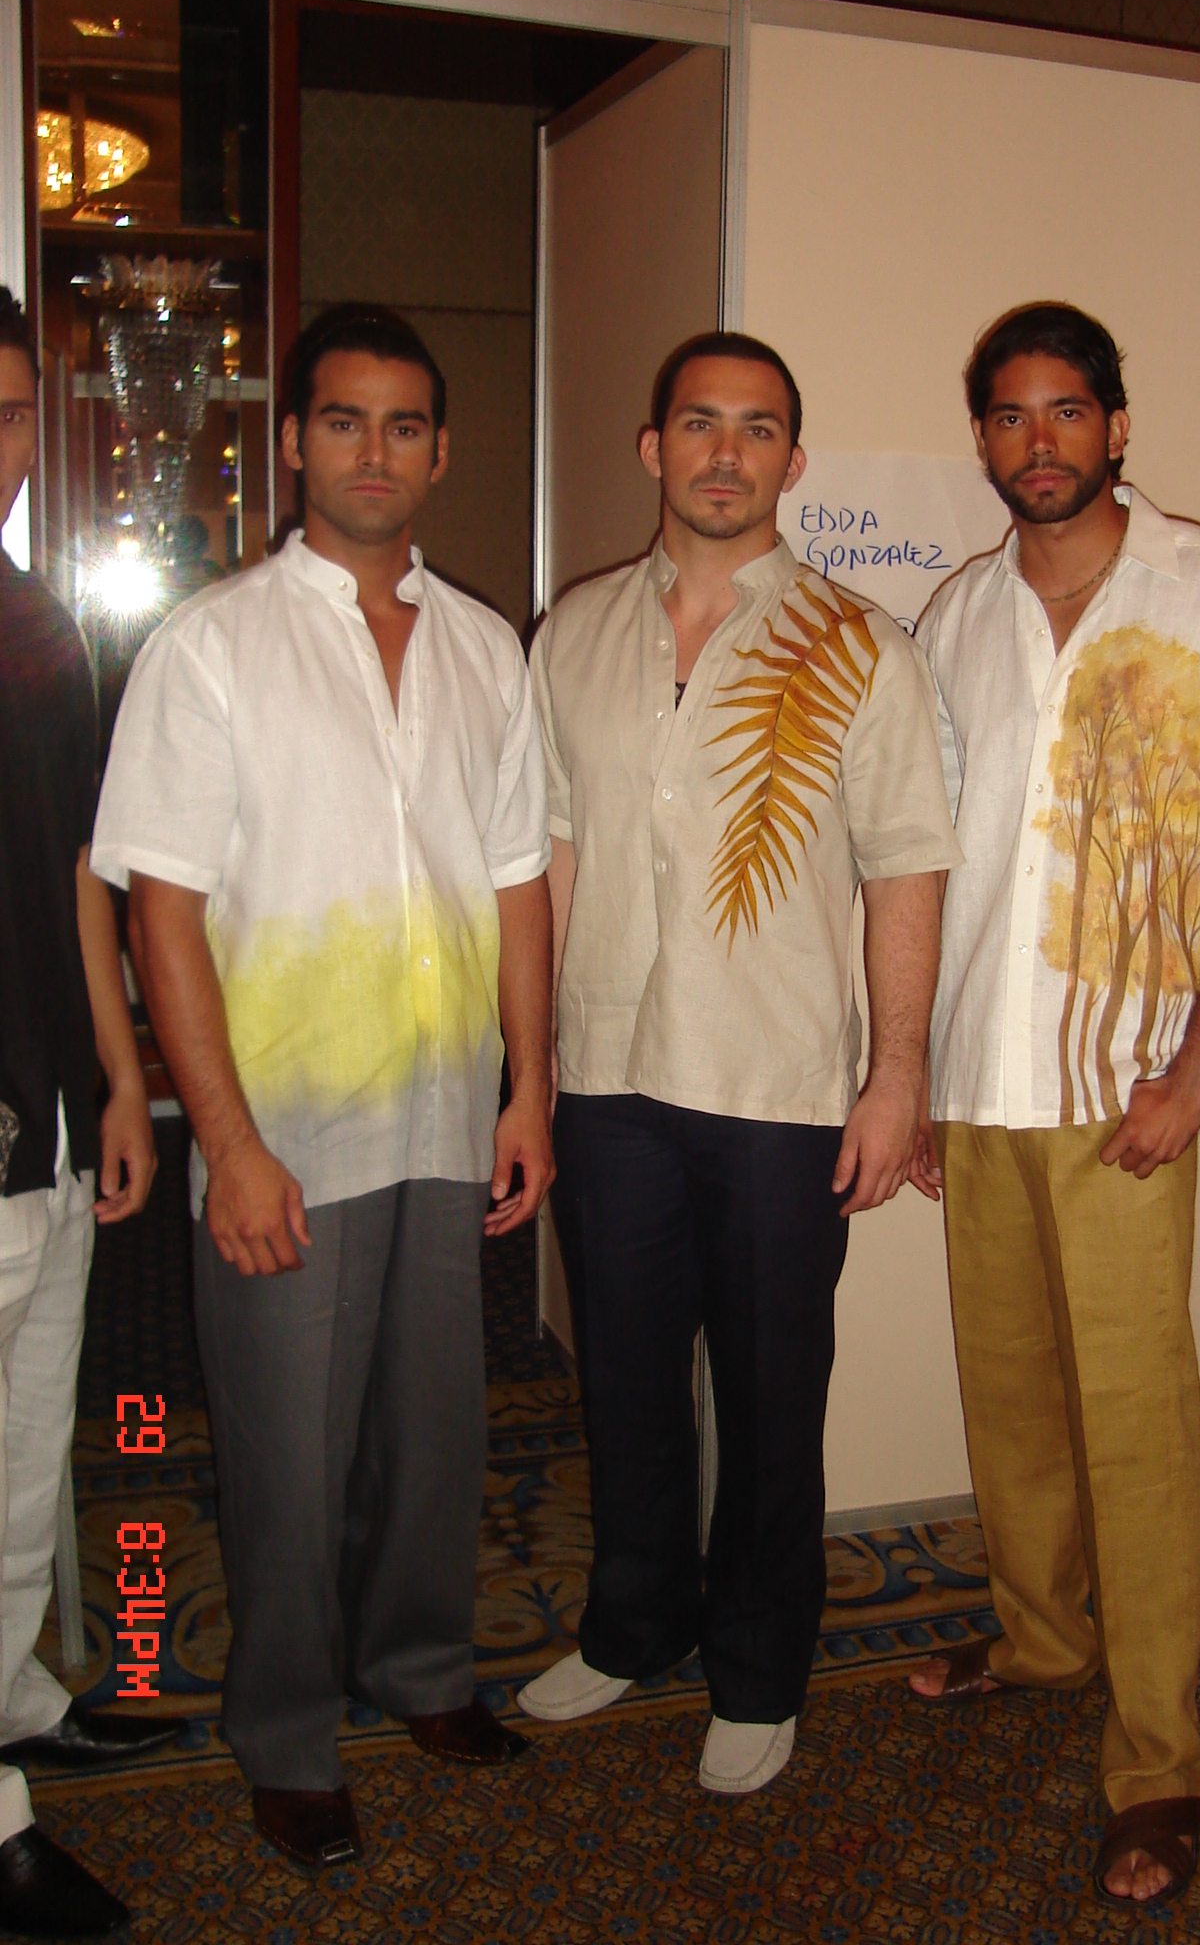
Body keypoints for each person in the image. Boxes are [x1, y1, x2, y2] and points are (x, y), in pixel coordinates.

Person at [91, 305, 555, 1872]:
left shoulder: (486, 647)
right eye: (344, 421)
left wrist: (530, 1090)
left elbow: (517, 881)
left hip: (445, 1115)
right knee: (283, 1449)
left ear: (441, 451)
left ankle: (420, 1670)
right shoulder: (211, 645)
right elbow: (161, 909)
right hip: (281, 1132)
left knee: (436, 1431)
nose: (374, 452)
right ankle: (286, 1732)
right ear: (293, 443)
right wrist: (223, 1141)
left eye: (403, 425)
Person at [906, 303, 1200, 1909]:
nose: (1041, 442)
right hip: (981, 1081)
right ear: (982, 437)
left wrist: (1195, 1077)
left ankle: (1160, 1760)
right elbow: (929, 861)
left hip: (1126, 1095)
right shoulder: (955, 618)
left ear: (1118, 426)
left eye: (1068, 411)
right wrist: (914, 1069)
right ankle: (1041, 1640)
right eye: (1011, 415)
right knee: (1012, 1400)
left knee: (1139, 1432)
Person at [518, 332, 963, 1794]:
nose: (726, 452)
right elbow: (555, 854)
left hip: (779, 1091)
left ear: (793, 460)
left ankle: (761, 1673)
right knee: (627, 1381)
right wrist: (534, 1065)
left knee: (773, 1397)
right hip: (607, 1078)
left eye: (758, 428)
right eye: (700, 424)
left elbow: (906, 866)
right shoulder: (573, 632)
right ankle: (635, 1624)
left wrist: (897, 1076)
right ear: (654, 447)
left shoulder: (860, 643)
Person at [0, 287, 175, 1938]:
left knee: (21, 1459)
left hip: (43, 1117)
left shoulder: (37, 624)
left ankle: (14, 1702)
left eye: (4, 417)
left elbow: (77, 873)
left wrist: (122, 1081)